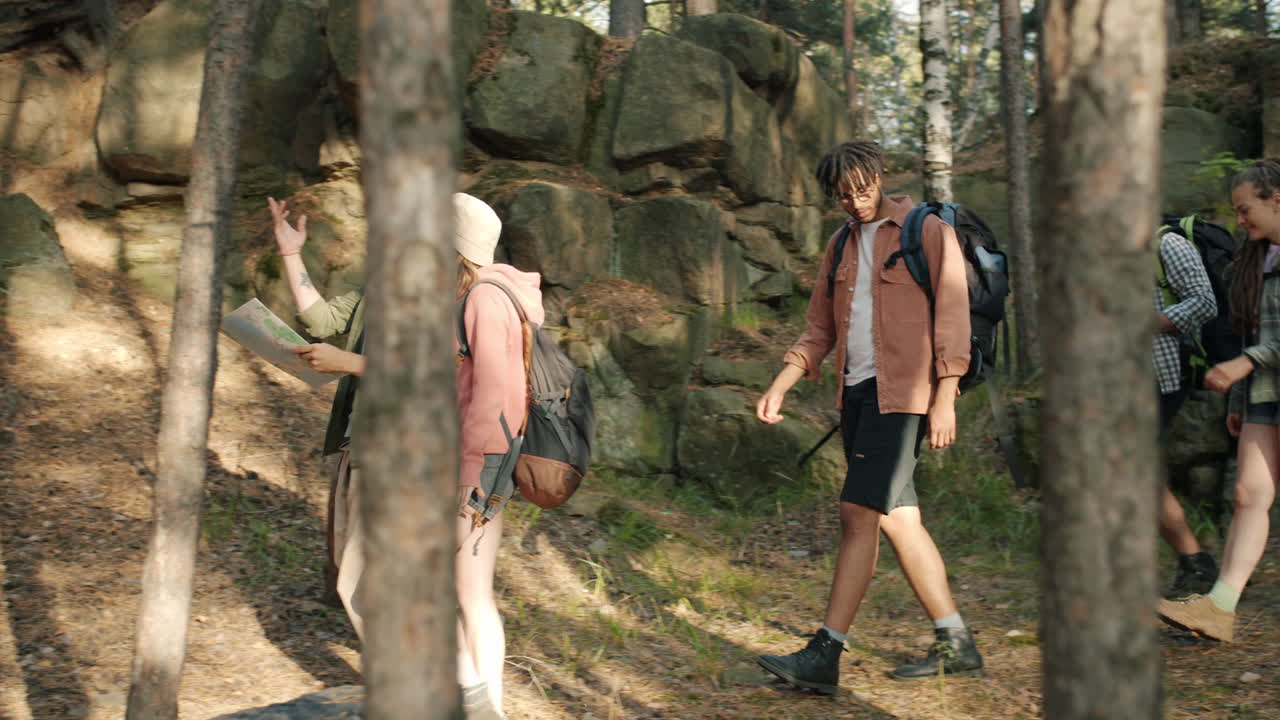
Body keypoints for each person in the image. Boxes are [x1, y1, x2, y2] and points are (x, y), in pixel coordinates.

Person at [270, 193, 536, 720]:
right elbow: (326, 321)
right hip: (441, 460)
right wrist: (291, 255)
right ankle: (481, 707)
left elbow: (463, 388)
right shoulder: (425, 288)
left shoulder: (475, 300)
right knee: (460, 593)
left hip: (439, 463)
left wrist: (350, 363)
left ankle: (459, 700)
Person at [753, 140, 981, 694]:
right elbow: (818, 330)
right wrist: (780, 385)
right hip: (856, 395)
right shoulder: (840, 245)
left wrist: (946, 392)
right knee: (898, 517)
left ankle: (825, 653)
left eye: (861, 190)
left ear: (879, 177)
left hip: (903, 396)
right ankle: (956, 642)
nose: (855, 203)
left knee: (857, 513)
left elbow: (953, 311)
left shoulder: (923, 230)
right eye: (843, 197)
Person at [1158, 159, 1280, 643]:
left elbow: (1257, 346)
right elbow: (1251, 330)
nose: (1240, 220)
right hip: (1264, 395)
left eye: (1245, 209)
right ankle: (1219, 609)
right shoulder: (1256, 260)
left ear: (1277, 199)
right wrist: (1239, 399)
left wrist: (1246, 363)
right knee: (1248, 495)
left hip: (1260, 376)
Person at [1152, 223, 1220, 597]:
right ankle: (1193, 563)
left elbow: (1205, 302)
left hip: (1160, 375)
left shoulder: (1167, 244)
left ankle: (1196, 562)